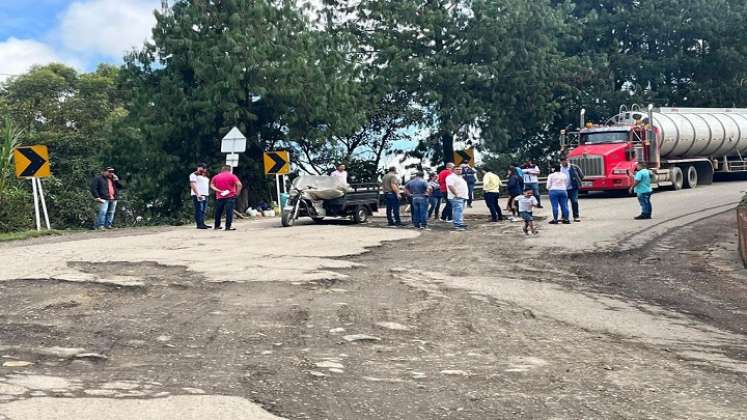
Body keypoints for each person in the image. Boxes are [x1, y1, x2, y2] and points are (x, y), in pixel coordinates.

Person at [210, 166, 242, 231]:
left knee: (218, 212)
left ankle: (217, 226)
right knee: (229, 212)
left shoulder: (216, 176)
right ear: (229, 170)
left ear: (222, 170)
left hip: (219, 196)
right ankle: (228, 227)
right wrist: (237, 193)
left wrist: (218, 190)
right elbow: (239, 184)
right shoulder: (232, 176)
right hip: (230, 196)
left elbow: (211, 185)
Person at [560, 157, 585, 222]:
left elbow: (581, 176)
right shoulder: (559, 168)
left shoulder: (574, 167)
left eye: (565, 160)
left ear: (567, 160)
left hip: (573, 188)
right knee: (564, 203)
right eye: (562, 161)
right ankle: (564, 216)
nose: (564, 162)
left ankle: (576, 216)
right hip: (563, 189)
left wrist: (577, 182)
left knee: (574, 201)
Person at [446, 165, 469, 230]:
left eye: (460, 169)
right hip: (456, 197)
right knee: (457, 210)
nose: (459, 170)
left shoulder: (460, 177)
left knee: (460, 211)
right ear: (453, 170)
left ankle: (460, 223)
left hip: (462, 197)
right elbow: (450, 186)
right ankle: (457, 225)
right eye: (457, 169)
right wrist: (456, 194)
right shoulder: (451, 177)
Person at [189, 163, 211, 229]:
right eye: (200, 168)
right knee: (199, 209)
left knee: (204, 210)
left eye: (203, 168)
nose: (202, 169)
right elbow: (193, 184)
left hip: (205, 194)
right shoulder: (193, 175)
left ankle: (202, 223)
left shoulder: (205, 176)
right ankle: (199, 224)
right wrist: (197, 194)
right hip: (198, 194)